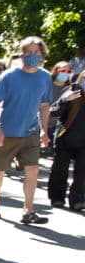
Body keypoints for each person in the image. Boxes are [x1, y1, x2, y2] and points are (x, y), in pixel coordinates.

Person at [0, 36, 53, 224]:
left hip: (30, 132)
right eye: (27, 52)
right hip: (7, 132)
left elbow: (45, 105)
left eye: (35, 52)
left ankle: (28, 210)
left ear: (42, 55)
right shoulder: (9, 76)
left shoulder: (45, 77)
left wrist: (44, 130)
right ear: (22, 55)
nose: (31, 55)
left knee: (32, 169)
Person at [48, 71, 85, 210]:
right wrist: (65, 100)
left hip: (83, 142)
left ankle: (77, 199)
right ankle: (57, 197)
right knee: (60, 169)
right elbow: (53, 111)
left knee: (82, 172)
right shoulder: (71, 92)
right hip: (65, 138)